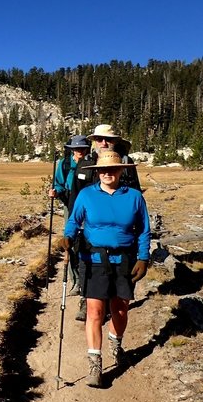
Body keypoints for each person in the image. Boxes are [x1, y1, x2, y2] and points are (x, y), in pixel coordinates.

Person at [59, 150, 150, 388]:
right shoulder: (87, 195)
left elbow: (143, 230)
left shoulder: (134, 197)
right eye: (103, 170)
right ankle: (95, 364)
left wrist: (143, 257)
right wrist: (68, 236)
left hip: (125, 260)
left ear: (121, 171)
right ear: (97, 172)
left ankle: (116, 344)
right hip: (94, 259)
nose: (107, 173)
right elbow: (73, 221)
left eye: (112, 169)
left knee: (120, 310)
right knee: (95, 312)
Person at [48, 135, 91, 294]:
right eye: (76, 148)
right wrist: (55, 192)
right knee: (70, 240)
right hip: (70, 205)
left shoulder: (92, 163)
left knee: (90, 241)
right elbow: (58, 184)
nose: (80, 151)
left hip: (91, 206)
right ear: (72, 149)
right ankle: (76, 280)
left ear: (87, 148)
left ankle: (89, 278)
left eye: (82, 148)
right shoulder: (64, 163)